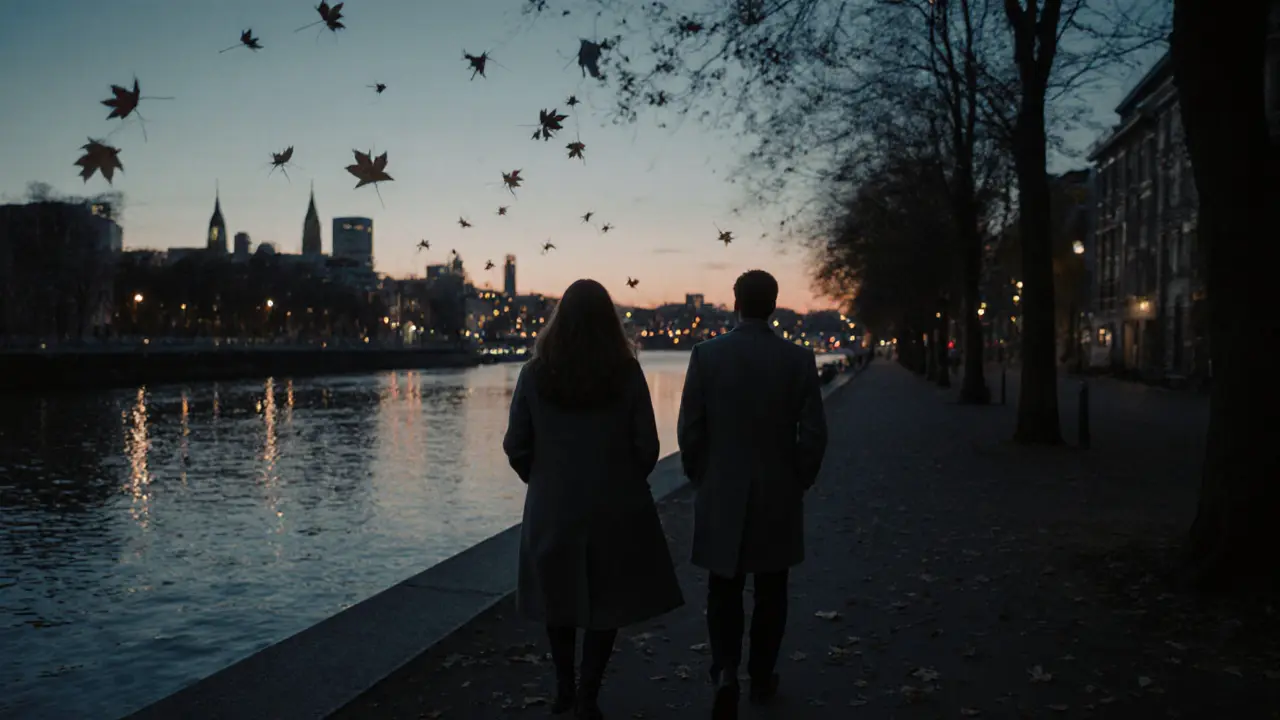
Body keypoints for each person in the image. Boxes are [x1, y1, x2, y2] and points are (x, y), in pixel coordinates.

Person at [503, 279, 684, 720]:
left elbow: (516, 445)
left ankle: (564, 689)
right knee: (607, 602)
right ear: (610, 320)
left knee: (557, 599)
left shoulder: (534, 373)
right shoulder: (625, 373)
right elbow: (647, 445)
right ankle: (589, 693)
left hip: (553, 505)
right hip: (613, 504)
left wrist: (543, 480)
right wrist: (621, 479)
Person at [677, 269, 829, 719]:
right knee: (772, 590)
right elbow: (815, 434)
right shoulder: (799, 359)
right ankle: (761, 677)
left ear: (735, 302)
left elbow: (690, 429)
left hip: (722, 487)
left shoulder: (706, 355)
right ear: (775, 303)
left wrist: (701, 474)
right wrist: (797, 478)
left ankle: (725, 670)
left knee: (723, 587)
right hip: (777, 488)